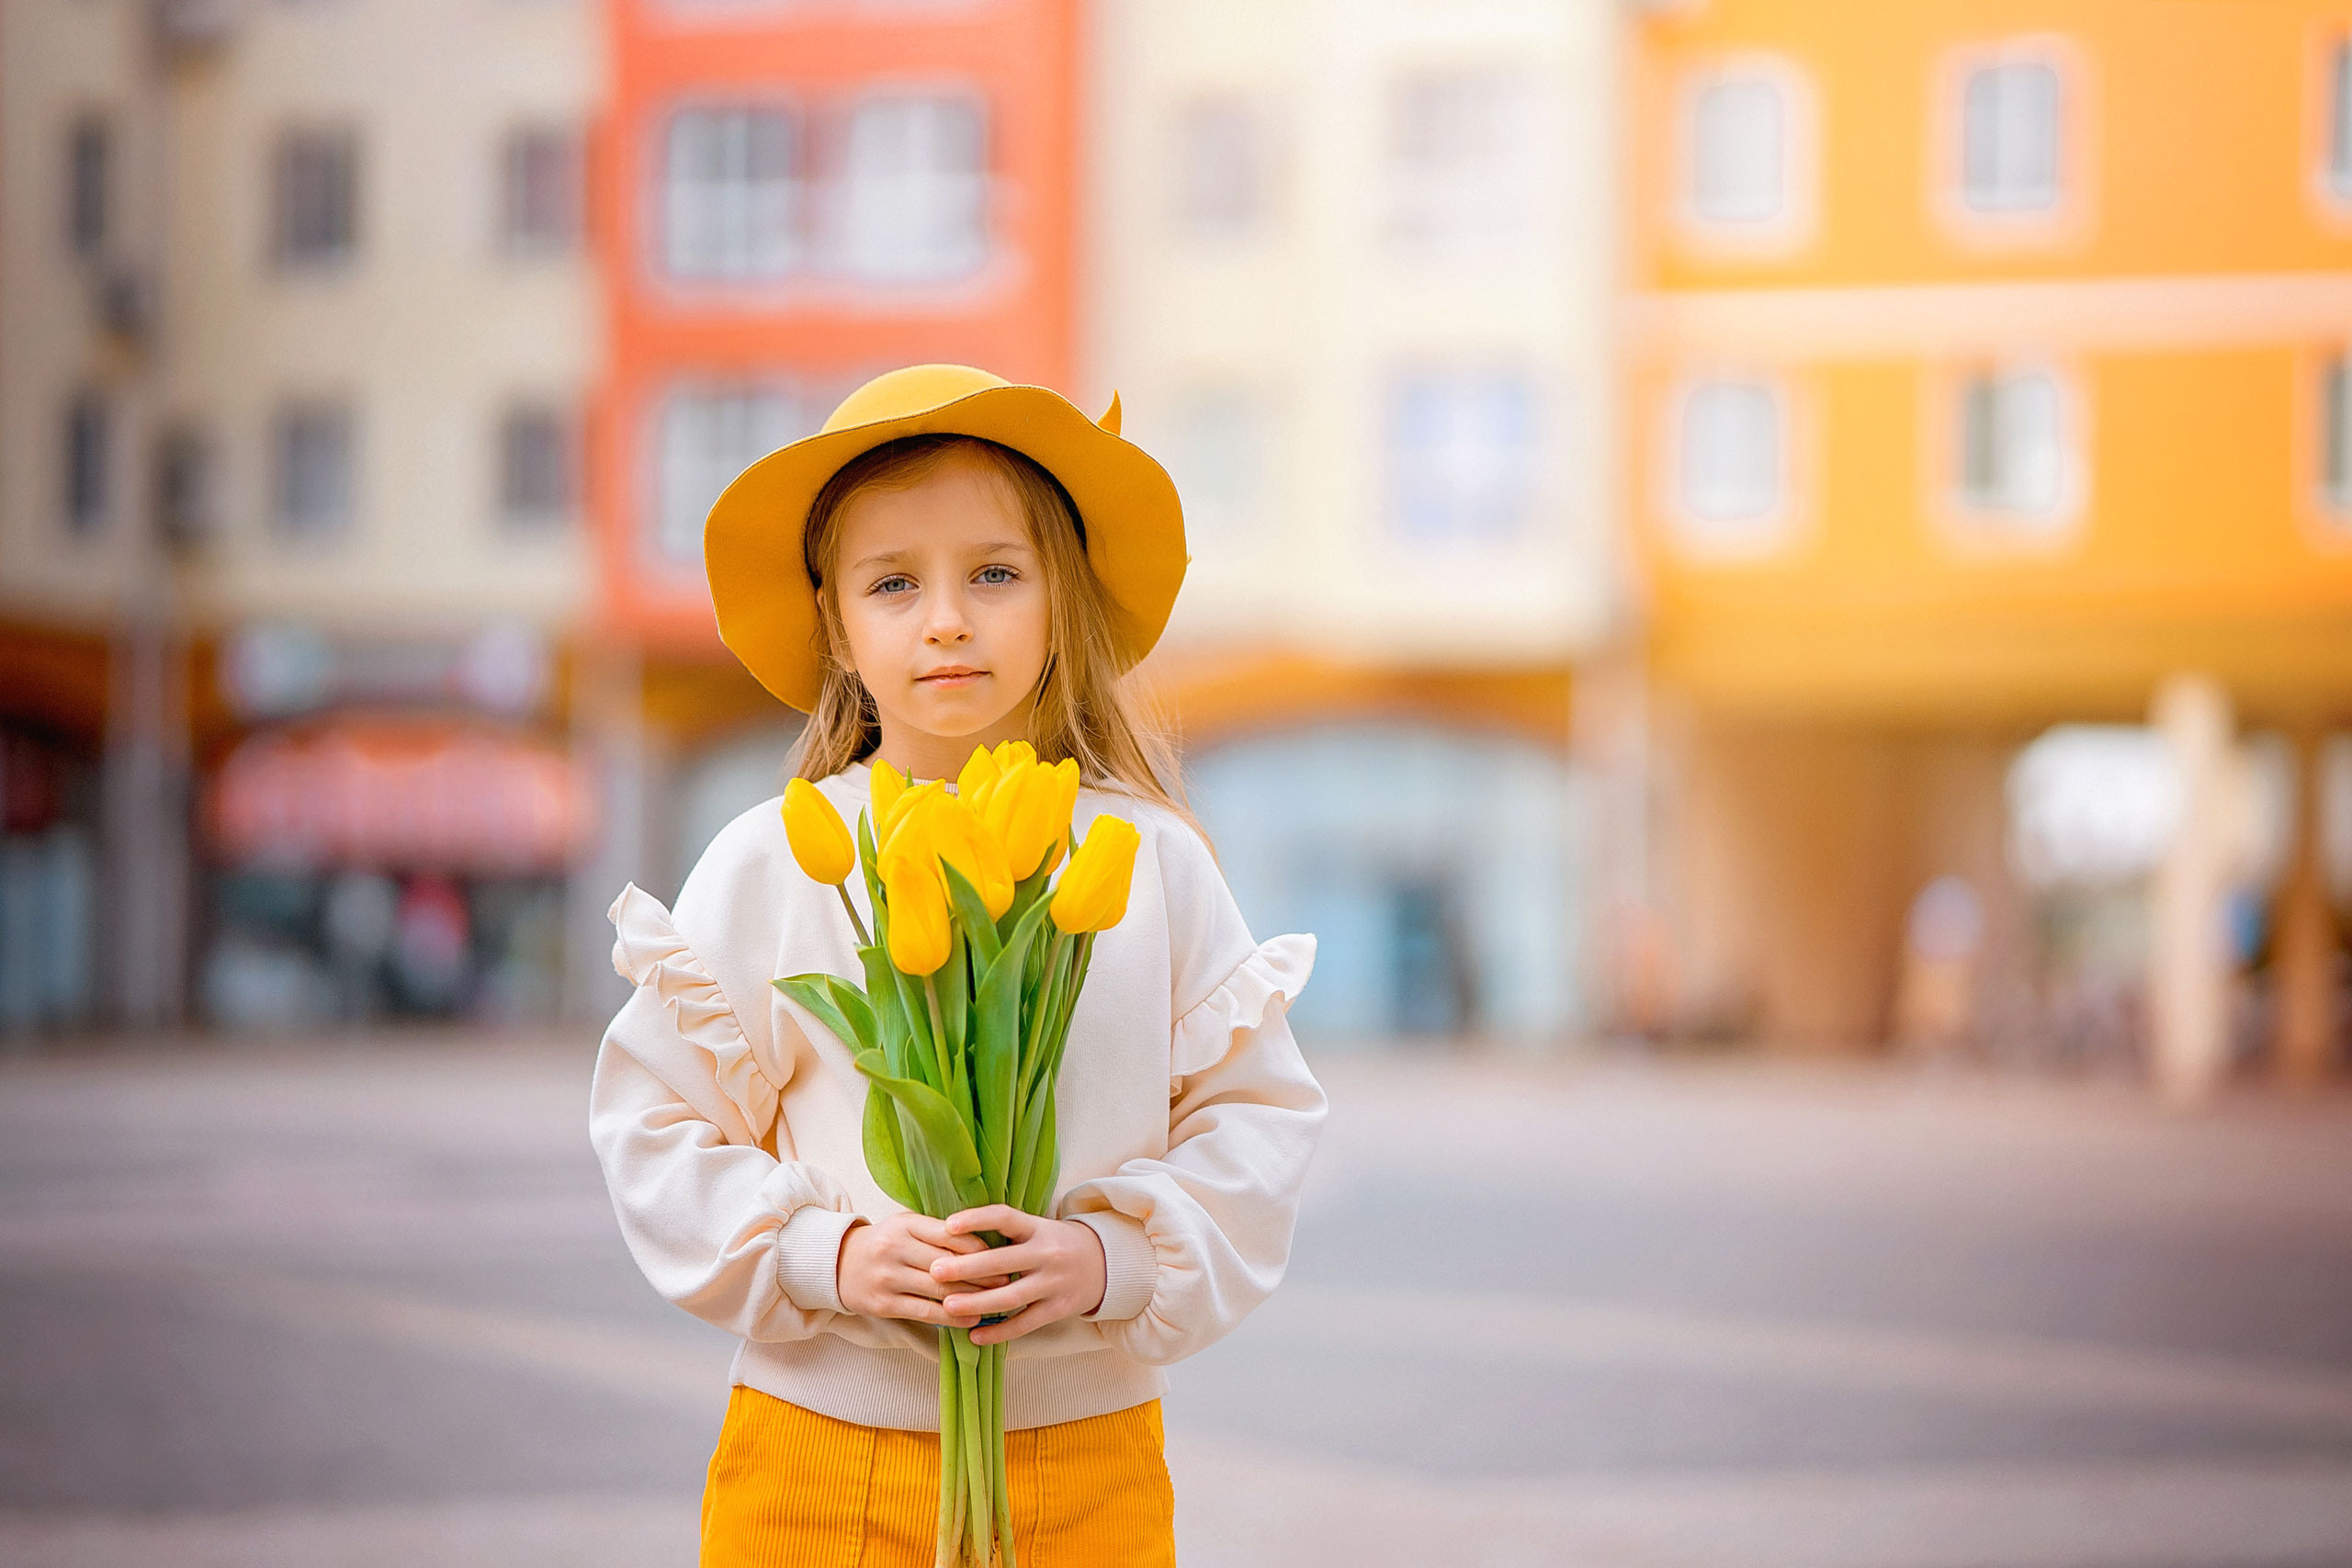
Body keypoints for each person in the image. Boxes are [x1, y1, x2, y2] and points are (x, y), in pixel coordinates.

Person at [587, 365, 1327, 1567]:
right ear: (836, 621)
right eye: (894, 583)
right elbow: (655, 1124)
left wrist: (1109, 1259)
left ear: (1061, 597)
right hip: (816, 1463)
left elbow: (1257, 1122)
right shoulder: (776, 860)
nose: (947, 619)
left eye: (994, 573)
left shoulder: (1152, 860)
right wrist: (826, 1256)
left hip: (1087, 1470)